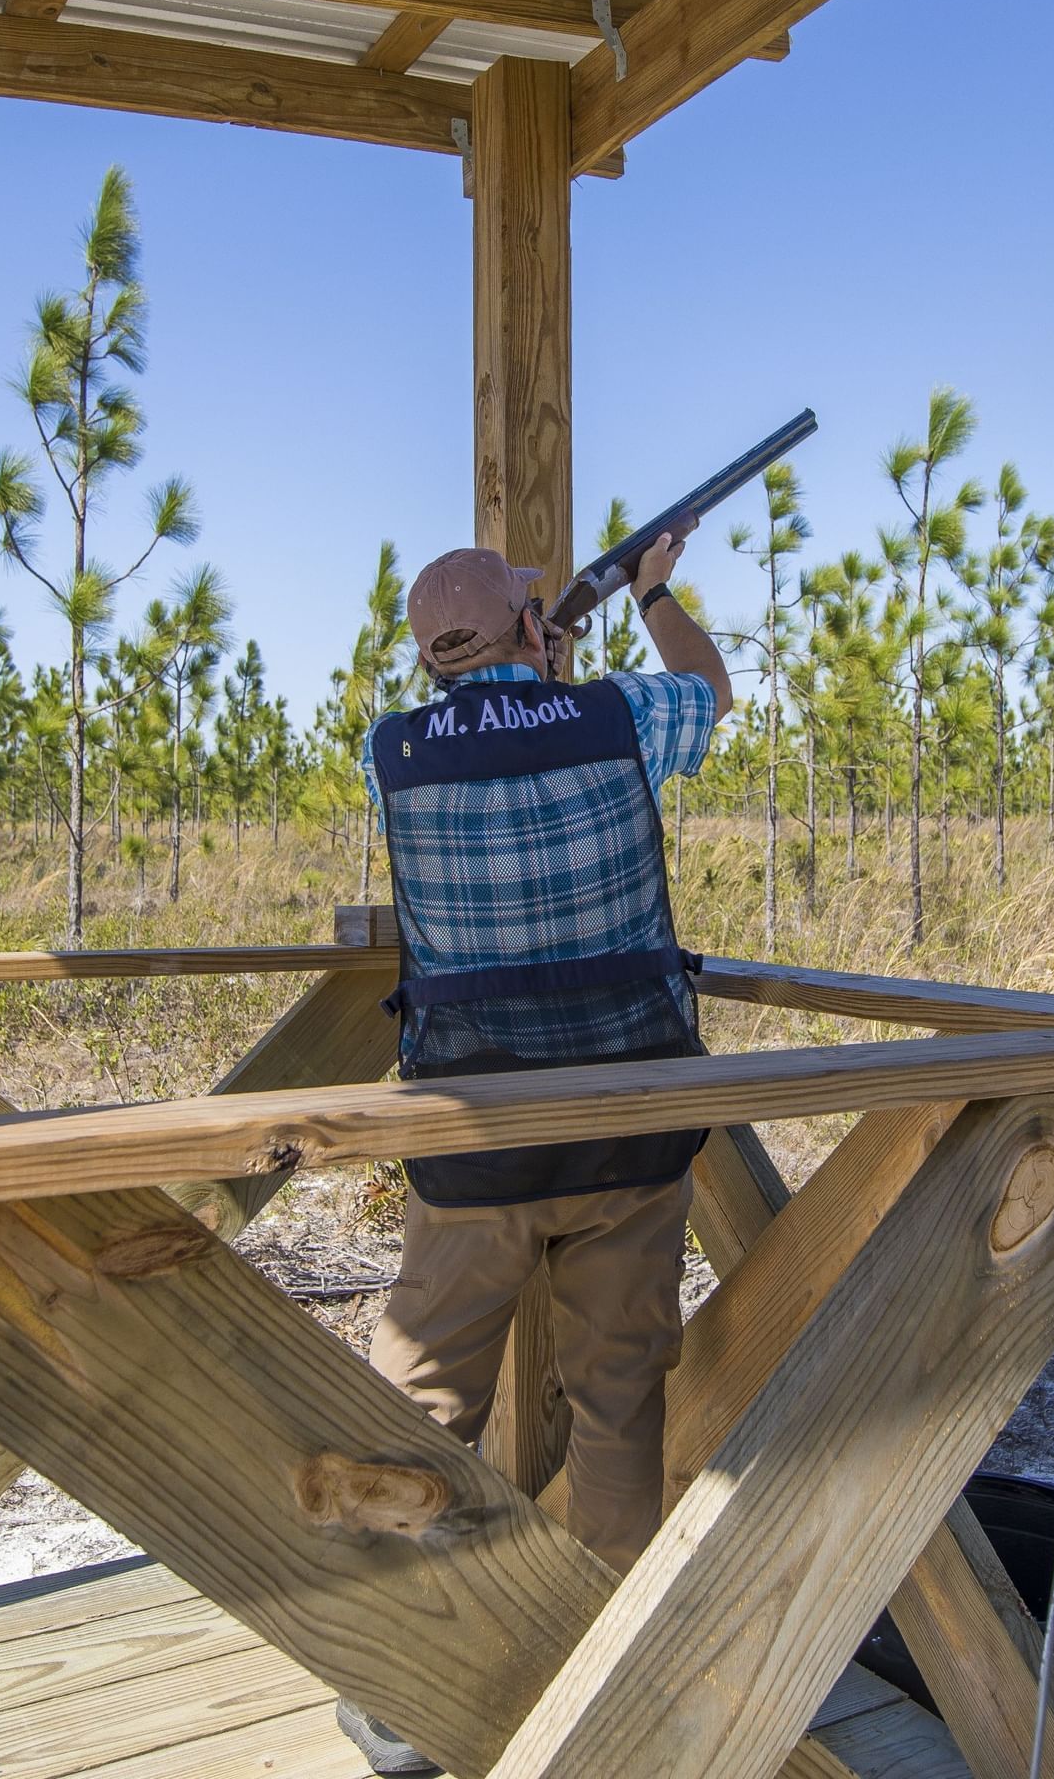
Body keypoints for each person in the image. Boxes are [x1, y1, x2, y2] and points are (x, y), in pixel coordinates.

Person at [336, 533, 730, 1776]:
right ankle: (595, 1666)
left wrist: (529, 655)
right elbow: (711, 687)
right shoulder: (615, 720)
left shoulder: (388, 751)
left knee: (419, 1400)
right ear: (527, 622)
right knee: (620, 1397)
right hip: (629, 1134)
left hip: (473, 1146)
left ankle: (406, 1690)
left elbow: (486, 732)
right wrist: (653, 588)